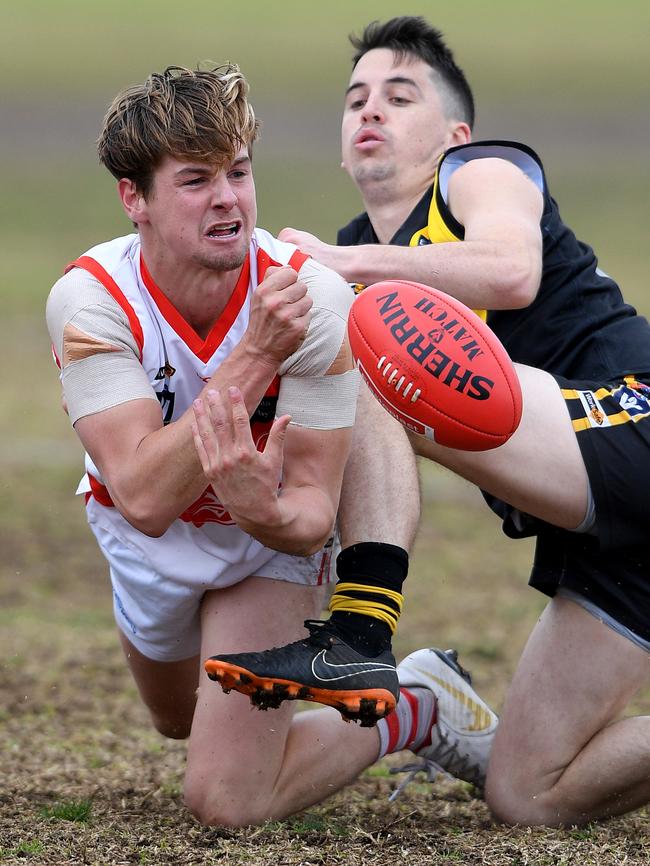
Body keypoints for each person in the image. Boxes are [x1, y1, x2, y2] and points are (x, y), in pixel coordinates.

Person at [46, 63, 496, 827]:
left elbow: (314, 512)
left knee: (226, 800)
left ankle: (418, 705)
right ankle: (265, 721)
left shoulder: (307, 297)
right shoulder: (92, 301)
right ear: (135, 199)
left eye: (239, 173)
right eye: (195, 180)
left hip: (266, 551)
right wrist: (254, 356)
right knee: (176, 721)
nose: (227, 199)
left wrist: (263, 515)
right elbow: (147, 499)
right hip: (148, 544)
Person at [269, 16, 650, 828]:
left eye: (399, 96)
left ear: (454, 133)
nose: (371, 110)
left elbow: (511, 271)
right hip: (604, 531)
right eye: (356, 100)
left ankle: (362, 631)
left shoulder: (482, 172)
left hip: (633, 425)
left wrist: (345, 270)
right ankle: (427, 692)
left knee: (356, 342)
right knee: (529, 796)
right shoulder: (349, 258)